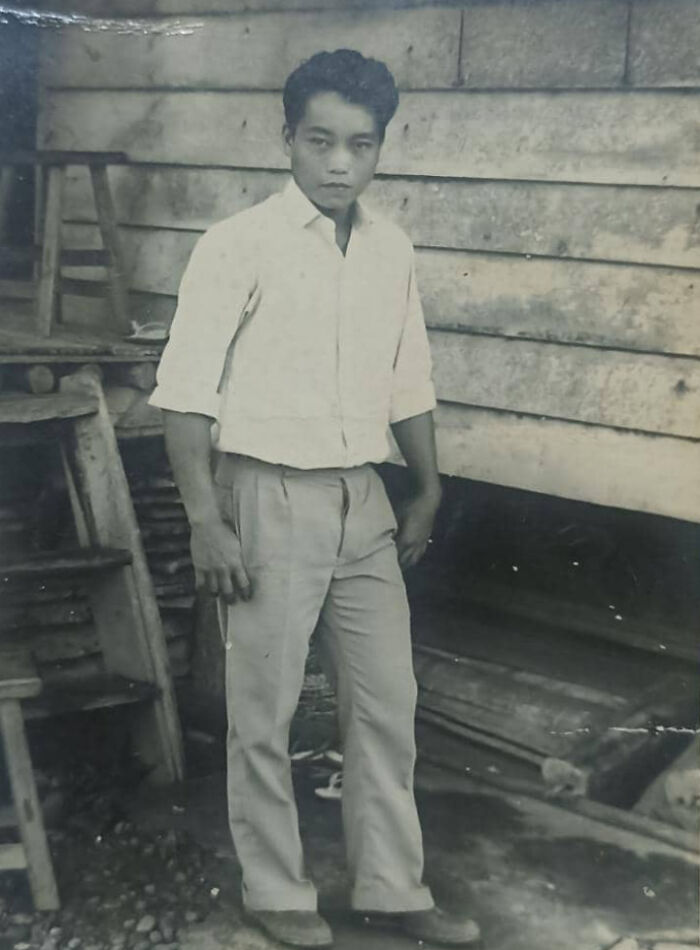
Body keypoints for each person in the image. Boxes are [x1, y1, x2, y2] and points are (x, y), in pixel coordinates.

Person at [150, 48, 481, 949]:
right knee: (266, 707)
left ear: (381, 149)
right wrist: (206, 520)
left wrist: (428, 487)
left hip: (362, 502)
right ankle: (276, 890)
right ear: (287, 137)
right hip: (266, 499)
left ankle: (391, 887)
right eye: (321, 141)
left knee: (386, 701)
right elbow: (185, 397)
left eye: (361, 146)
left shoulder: (391, 249)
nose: (340, 163)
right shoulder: (238, 246)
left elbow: (408, 380)